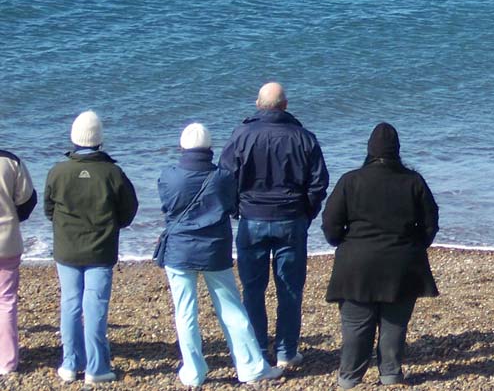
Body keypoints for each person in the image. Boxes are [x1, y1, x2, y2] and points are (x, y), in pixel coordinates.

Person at [158, 123, 283, 386]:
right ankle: (250, 367)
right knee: (232, 310)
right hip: (214, 249)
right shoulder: (223, 177)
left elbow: (167, 207)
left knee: (185, 313)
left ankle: (193, 372)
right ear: (209, 148)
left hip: (179, 250)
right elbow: (230, 205)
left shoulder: (169, 175)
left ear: (182, 147)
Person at [220, 82, 329, 368]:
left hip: (254, 218)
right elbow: (318, 183)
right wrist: (307, 212)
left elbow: (225, 177)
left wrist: (235, 209)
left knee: (253, 289)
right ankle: (285, 351)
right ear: (285, 105)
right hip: (289, 219)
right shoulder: (303, 137)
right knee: (289, 288)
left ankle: (257, 347)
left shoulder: (242, 135)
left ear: (258, 104)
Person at [323, 123, 439, 390]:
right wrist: (417, 245)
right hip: (401, 263)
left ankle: (349, 378)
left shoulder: (350, 180)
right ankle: (390, 375)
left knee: (355, 325)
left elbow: (330, 222)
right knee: (394, 323)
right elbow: (431, 222)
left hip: (357, 263)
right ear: (397, 150)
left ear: (369, 150)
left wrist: (341, 242)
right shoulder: (413, 181)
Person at [44, 111, 139, 384]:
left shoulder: (58, 171)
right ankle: (96, 367)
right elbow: (128, 210)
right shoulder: (112, 172)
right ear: (100, 140)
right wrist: (111, 226)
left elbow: (49, 209)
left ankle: (70, 363)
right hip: (100, 249)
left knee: (71, 304)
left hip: (67, 249)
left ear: (74, 139)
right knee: (94, 305)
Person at [0, 144, 37, 375]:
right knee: (6, 301)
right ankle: (7, 362)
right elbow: (27, 200)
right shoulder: (11, 161)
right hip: (7, 240)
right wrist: (13, 218)